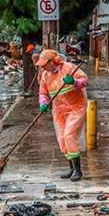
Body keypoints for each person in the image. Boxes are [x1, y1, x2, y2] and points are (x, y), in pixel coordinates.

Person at [38, 49, 88, 181]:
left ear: (53, 61)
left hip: (76, 107)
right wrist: (44, 103)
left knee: (69, 135)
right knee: (62, 139)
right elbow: (43, 92)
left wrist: (74, 82)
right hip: (59, 110)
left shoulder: (69, 68)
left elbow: (85, 80)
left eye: (44, 64)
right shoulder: (45, 75)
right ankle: (71, 169)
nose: (42, 67)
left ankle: (78, 170)